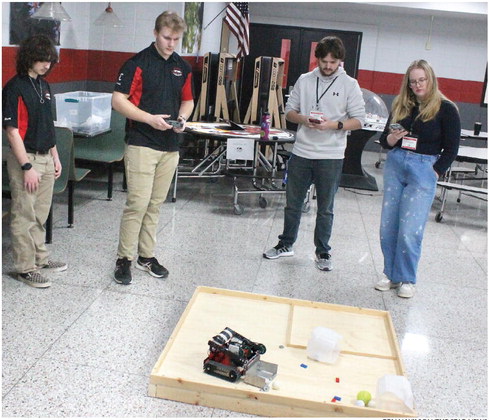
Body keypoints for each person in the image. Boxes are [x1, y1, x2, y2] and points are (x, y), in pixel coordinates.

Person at [263, 36, 366, 271]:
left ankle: (323, 252)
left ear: (340, 61)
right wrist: (304, 120)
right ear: (317, 59)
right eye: (324, 61)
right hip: (302, 151)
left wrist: (334, 125)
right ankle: (285, 244)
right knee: (293, 203)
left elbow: (360, 120)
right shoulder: (305, 80)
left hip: (331, 155)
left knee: (326, 208)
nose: (328, 66)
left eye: (333, 62)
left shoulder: (350, 84)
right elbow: (289, 112)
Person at [112, 11, 194, 285]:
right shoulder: (136, 63)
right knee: (137, 203)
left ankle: (146, 256)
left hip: (170, 146)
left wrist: (182, 118)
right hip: (141, 143)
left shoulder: (182, 67)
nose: (171, 43)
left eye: (176, 39)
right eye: (167, 37)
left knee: (155, 205)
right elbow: (118, 101)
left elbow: (188, 100)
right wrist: (149, 118)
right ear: (155, 33)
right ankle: (124, 258)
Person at [375, 59, 460, 298]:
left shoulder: (446, 108)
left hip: (424, 167)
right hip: (396, 164)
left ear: (430, 79)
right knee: (388, 226)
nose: (418, 85)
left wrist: (435, 171)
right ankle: (391, 275)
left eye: (422, 80)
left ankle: (407, 279)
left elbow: (452, 148)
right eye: (413, 81)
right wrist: (392, 139)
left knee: (410, 229)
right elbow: (384, 140)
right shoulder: (402, 104)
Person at [2, 34, 67, 288]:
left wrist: (56, 156)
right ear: (29, 58)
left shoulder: (44, 86)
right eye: (42, 60)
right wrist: (26, 166)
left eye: (49, 61)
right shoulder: (14, 87)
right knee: (23, 214)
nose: (46, 65)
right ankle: (25, 268)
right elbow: (12, 130)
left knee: (40, 213)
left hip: (46, 158)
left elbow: (47, 125)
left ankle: (40, 258)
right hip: (26, 159)